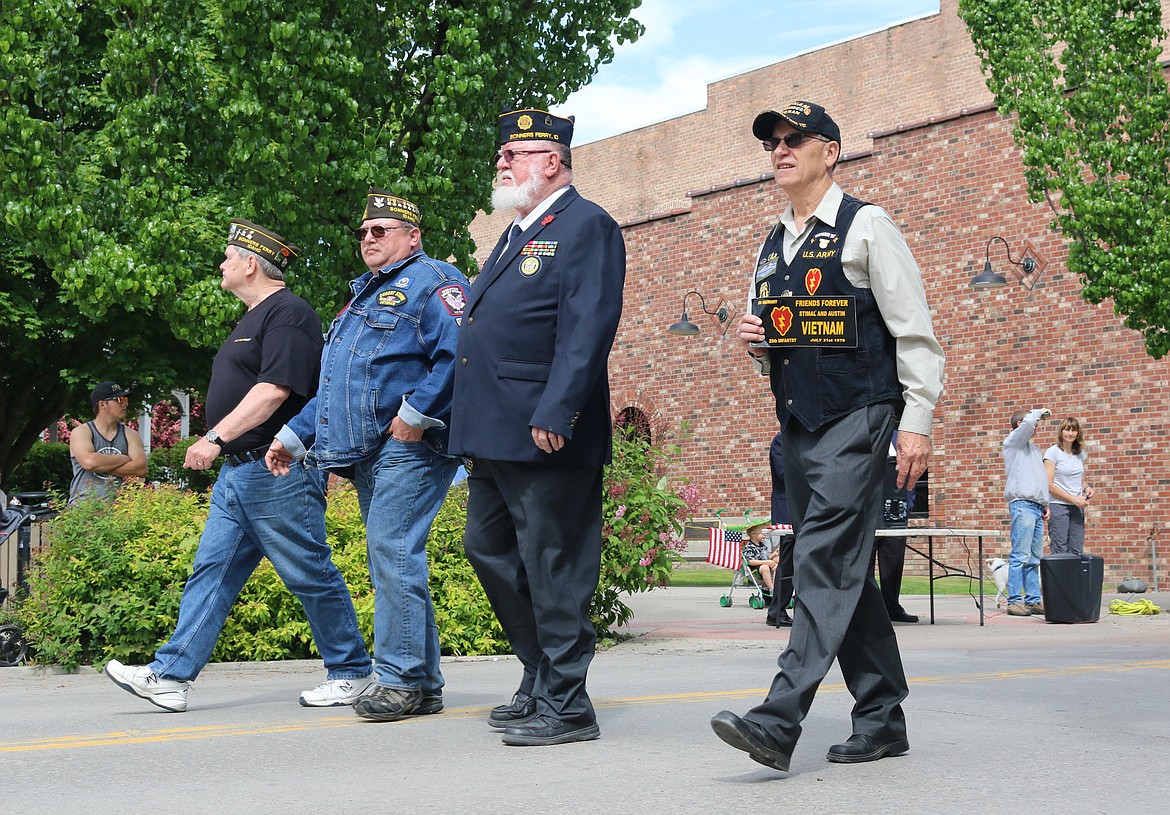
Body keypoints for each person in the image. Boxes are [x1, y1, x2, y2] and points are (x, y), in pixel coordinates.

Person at [710, 100, 945, 773]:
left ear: (830, 151)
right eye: (772, 143)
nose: (780, 150)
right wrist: (756, 344)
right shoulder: (771, 241)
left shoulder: (866, 225)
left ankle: (778, 719)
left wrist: (917, 421)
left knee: (818, 560)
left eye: (794, 139)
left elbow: (916, 333)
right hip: (800, 427)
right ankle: (882, 716)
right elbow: (782, 341)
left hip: (862, 415)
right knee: (844, 569)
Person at [104, 218, 371, 712]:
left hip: (276, 468)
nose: (222, 264)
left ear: (251, 264)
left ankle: (352, 671)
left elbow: (275, 390)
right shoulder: (252, 317)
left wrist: (213, 437)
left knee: (308, 570)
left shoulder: (288, 314)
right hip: (240, 472)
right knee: (213, 570)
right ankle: (170, 676)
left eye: (228, 257)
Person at [450, 108, 625, 747]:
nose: (503, 162)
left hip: (545, 430)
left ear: (553, 162)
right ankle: (539, 672)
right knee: (488, 549)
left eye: (516, 153)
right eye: (503, 155)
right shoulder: (514, 233)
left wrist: (559, 408)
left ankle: (569, 704)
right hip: (496, 432)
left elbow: (588, 326)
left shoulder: (586, 226)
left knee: (554, 563)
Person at [267, 190, 468, 723]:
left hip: (412, 446)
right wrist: (294, 433)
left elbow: (460, 352)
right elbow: (341, 387)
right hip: (367, 451)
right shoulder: (360, 299)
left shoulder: (436, 281)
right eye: (363, 232)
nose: (369, 239)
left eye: (382, 230)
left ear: (413, 235)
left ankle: (399, 679)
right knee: (393, 557)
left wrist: (418, 412)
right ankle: (421, 684)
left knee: (393, 553)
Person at [1003, 408, 1052, 616]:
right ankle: (1014, 600)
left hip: (1036, 506)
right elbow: (1030, 424)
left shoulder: (1034, 451)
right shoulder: (1013, 443)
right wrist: (1039, 411)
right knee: (1020, 555)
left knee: (1034, 557)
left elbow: (1039, 480)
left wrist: (1045, 504)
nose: (1036, 427)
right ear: (1020, 425)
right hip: (1022, 504)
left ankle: (1032, 599)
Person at [68, 381, 147, 503]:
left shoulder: (130, 434)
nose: (125, 403)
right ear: (103, 404)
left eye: (126, 399)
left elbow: (141, 469)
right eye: (120, 399)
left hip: (121, 512)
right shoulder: (82, 432)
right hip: (84, 511)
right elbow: (90, 463)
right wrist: (123, 459)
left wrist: (101, 465)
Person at [871, 432, 920, 623]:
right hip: (870, 512)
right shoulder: (863, 435)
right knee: (865, 563)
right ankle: (868, 609)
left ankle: (891, 606)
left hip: (896, 513)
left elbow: (910, 471)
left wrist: (908, 502)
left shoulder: (898, 439)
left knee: (893, 560)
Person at [1044, 417, 1093, 555]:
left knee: (1076, 549)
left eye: (1074, 430)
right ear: (1061, 431)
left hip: (1077, 507)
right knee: (1060, 549)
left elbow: (1080, 479)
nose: (1070, 433)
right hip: (1058, 506)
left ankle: (1073, 577)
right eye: (1067, 429)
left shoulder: (1080, 453)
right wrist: (1073, 499)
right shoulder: (1052, 452)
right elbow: (1048, 485)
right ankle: (1060, 577)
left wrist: (1086, 488)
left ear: (1078, 433)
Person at [765, 431, 796, 628]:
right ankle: (776, 610)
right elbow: (784, 473)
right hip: (788, 509)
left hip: (807, 507)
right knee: (789, 560)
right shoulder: (781, 441)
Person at [743, 521, 779, 592]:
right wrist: (766, 562)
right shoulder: (749, 546)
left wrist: (773, 555)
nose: (764, 535)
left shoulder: (763, 545)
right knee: (765, 567)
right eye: (762, 533)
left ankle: (776, 587)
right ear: (753, 534)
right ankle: (771, 589)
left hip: (765, 565)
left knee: (776, 565)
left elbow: (766, 557)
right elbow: (750, 561)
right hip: (755, 569)